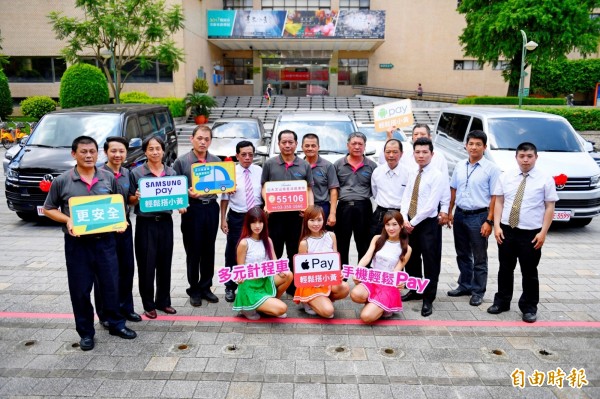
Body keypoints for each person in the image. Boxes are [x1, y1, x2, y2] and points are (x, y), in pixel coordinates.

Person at [43, 136, 136, 351]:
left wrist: (120, 222)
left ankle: (116, 324)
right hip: (78, 246)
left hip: (106, 243)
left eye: (92, 152)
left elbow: (117, 204)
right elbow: (49, 208)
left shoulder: (107, 178)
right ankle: (86, 332)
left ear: (97, 153)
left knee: (111, 285)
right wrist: (68, 220)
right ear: (73, 154)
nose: (88, 155)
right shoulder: (63, 181)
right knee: (80, 290)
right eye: (83, 152)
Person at [487, 142, 558, 323]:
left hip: (531, 233)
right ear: (516, 157)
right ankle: (502, 301)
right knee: (505, 269)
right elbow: (499, 202)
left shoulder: (545, 179)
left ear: (536, 157)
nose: (525, 160)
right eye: (522, 156)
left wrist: (543, 233)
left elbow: (550, 207)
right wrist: (497, 226)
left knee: (529, 271)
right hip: (507, 231)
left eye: (529, 156)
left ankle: (529, 307)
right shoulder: (506, 176)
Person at [447, 130, 501, 306]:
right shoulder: (460, 165)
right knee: (462, 253)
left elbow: (495, 196)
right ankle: (464, 285)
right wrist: (449, 212)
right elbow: (453, 189)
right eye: (471, 144)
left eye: (478, 144)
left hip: (479, 216)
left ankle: (478, 291)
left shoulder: (491, 169)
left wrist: (490, 221)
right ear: (466, 145)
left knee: (479, 257)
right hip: (460, 215)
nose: (474, 147)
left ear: (484, 147)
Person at [129, 136, 180, 319]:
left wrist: (182, 204)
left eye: (158, 148)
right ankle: (148, 304)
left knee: (165, 264)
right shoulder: (137, 173)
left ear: (163, 150)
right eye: (151, 149)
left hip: (166, 222)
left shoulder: (171, 173)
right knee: (146, 266)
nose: (155, 152)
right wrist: (136, 197)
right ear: (145, 151)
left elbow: (178, 198)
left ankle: (163, 302)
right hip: (146, 224)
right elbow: (130, 200)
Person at [400, 138, 450, 317]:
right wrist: (405, 218)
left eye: (425, 152)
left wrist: (412, 223)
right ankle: (415, 290)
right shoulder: (413, 171)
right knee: (411, 258)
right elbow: (406, 196)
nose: (421, 155)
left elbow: (431, 205)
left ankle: (428, 298)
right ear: (413, 154)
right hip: (410, 222)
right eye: (417, 152)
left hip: (427, 224)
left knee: (430, 262)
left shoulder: (437, 175)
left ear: (432, 154)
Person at [94, 137, 141, 327]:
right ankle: (105, 313)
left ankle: (126, 307)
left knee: (126, 269)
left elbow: (129, 200)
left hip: (125, 226)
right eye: (113, 151)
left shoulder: (126, 173)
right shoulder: (97, 173)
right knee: (104, 272)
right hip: (104, 229)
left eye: (121, 151)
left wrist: (136, 198)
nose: (117, 155)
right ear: (106, 152)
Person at [261, 129, 314, 295]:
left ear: (296, 144)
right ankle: (273, 284)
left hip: (296, 217)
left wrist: (309, 209)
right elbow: (264, 187)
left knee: (294, 250)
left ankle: (293, 286)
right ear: (278, 144)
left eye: (291, 142)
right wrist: (267, 204)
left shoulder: (304, 165)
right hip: (275, 216)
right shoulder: (270, 164)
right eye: (284, 142)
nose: (287, 145)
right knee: (274, 250)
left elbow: (309, 189)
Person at [174, 125, 221, 307]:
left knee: (209, 249)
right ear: (191, 139)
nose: (203, 142)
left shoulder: (216, 160)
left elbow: (224, 182)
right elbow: (175, 188)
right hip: (192, 210)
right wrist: (186, 195)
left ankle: (206, 286)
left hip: (211, 208)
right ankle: (193, 288)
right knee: (193, 250)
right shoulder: (181, 162)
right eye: (200, 138)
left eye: (207, 139)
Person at [220, 141, 263, 303]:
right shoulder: (230, 172)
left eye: (250, 154)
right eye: (243, 154)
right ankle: (230, 286)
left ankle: (256, 283)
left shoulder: (259, 170)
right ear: (237, 155)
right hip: (237, 216)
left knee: (256, 249)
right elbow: (224, 198)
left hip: (257, 216)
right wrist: (223, 219)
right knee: (233, 251)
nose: (247, 158)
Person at [350, 211, 412, 323]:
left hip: (388, 284)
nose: (391, 228)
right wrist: (358, 269)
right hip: (373, 279)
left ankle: (383, 306)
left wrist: (400, 281)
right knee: (355, 294)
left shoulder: (406, 248)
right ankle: (377, 304)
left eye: (394, 224)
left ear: (401, 225)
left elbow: (397, 270)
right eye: (387, 224)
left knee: (366, 317)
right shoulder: (377, 239)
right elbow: (367, 257)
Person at [232, 207, 293, 320]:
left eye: (260, 222)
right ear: (248, 224)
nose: (257, 226)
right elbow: (239, 268)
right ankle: (247, 306)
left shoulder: (267, 240)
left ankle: (270, 302)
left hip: (264, 280)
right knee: (282, 309)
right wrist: (239, 277)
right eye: (254, 222)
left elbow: (275, 262)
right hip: (250, 285)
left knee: (288, 274)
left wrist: (281, 271)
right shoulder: (244, 243)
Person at [293, 205, 349, 318]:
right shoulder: (305, 243)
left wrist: (339, 272)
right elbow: (300, 272)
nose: (316, 224)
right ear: (306, 221)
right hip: (311, 284)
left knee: (344, 287)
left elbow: (335, 260)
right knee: (329, 312)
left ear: (324, 219)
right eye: (312, 220)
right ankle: (308, 301)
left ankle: (323, 299)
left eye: (319, 219)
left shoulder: (331, 235)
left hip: (327, 280)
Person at [334, 131, 378, 268]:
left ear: (365, 146)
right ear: (348, 145)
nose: (357, 147)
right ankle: (342, 275)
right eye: (354, 143)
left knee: (364, 242)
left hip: (363, 207)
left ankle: (363, 273)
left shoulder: (372, 165)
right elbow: (334, 188)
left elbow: (376, 187)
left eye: (360, 144)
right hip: (343, 207)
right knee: (342, 242)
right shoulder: (338, 165)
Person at [401, 123, 450, 225]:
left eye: (422, 134)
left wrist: (445, 209)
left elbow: (445, 185)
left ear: (429, 137)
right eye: (416, 134)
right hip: (408, 210)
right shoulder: (405, 155)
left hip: (430, 211)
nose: (418, 136)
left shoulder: (439, 157)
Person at [371, 138, 408, 236]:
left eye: (395, 152)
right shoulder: (377, 172)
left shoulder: (408, 173)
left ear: (401, 154)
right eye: (388, 152)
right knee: (377, 245)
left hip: (400, 214)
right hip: (381, 214)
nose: (391, 155)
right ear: (384, 153)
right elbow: (375, 192)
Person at [301, 133, 339, 227]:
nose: (310, 148)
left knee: (323, 237)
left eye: (313, 146)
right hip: (302, 209)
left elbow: (333, 190)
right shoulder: (297, 165)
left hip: (322, 207)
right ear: (302, 147)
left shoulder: (328, 166)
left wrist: (332, 213)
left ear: (318, 147)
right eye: (307, 146)